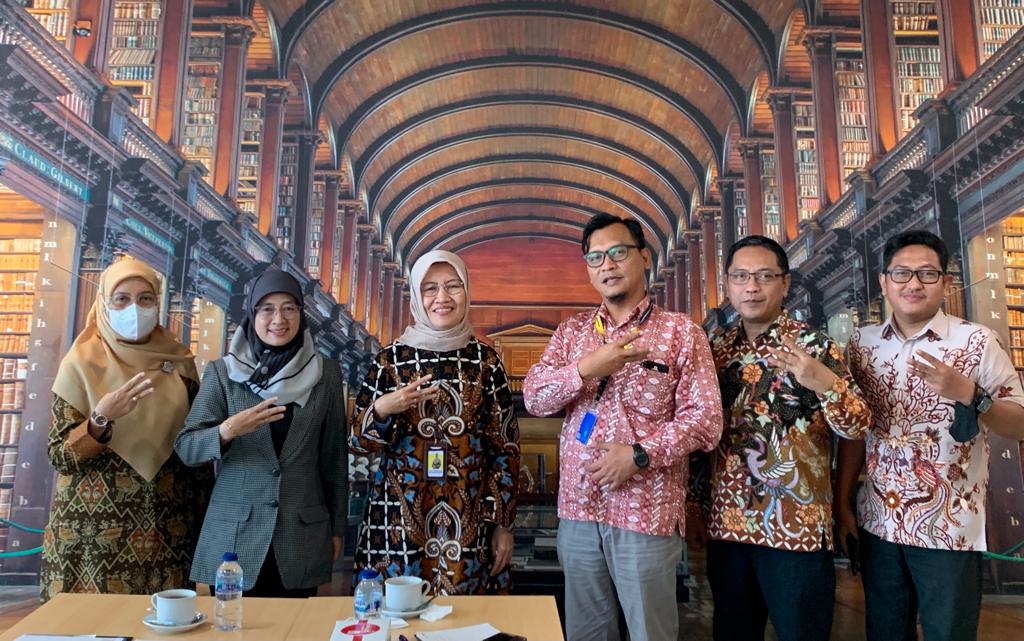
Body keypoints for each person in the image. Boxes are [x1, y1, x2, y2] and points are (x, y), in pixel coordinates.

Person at [523, 213, 723, 641]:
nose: (607, 265)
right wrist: (586, 368)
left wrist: (639, 455)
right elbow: (535, 398)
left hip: (645, 513)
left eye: (617, 252)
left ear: (644, 257)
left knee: (649, 632)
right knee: (587, 633)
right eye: (595, 257)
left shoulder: (681, 333)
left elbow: (705, 420)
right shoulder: (572, 333)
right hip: (578, 511)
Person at [837, 230, 1024, 641]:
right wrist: (842, 500)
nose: (913, 284)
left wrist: (972, 395)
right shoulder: (862, 345)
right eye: (901, 273)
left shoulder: (976, 341)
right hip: (879, 523)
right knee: (885, 631)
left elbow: (1019, 423)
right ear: (884, 281)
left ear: (946, 281)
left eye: (927, 273)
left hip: (949, 528)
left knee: (949, 632)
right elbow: (854, 432)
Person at [692, 235, 871, 641]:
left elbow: (857, 426)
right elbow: (699, 436)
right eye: (741, 276)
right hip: (727, 526)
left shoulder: (815, 346)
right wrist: (692, 504)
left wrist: (825, 384)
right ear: (728, 284)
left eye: (765, 276)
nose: (752, 287)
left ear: (785, 283)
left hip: (797, 530)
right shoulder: (714, 350)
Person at [350, 250, 520, 596]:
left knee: (468, 617)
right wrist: (382, 409)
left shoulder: (486, 362)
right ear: (416, 295)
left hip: (470, 520)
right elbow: (357, 442)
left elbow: (506, 448)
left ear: (466, 292)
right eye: (430, 288)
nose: (442, 298)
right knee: (398, 614)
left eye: (453, 286)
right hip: (398, 519)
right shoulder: (389, 361)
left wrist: (503, 524)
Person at [41, 258, 212, 601]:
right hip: (91, 536)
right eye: (122, 299)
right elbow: (60, 456)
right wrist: (100, 419)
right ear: (104, 303)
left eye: (145, 299)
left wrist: (206, 527)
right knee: (91, 625)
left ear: (158, 303)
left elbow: (197, 456)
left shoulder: (180, 364)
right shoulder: (79, 364)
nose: (134, 308)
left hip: (168, 529)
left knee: (166, 624)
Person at [175, 268, 347, 597]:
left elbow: (334, 460)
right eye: (267, 309)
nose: (278, 319)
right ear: (252, 315)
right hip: (234, 539)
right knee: (231, 623)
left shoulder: (324, 374)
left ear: (301, 314)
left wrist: (337, 527)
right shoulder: (224, 373)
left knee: (296, 624)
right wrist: (227, 430)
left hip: (300, 536)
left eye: (289, 308)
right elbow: (187, 447)